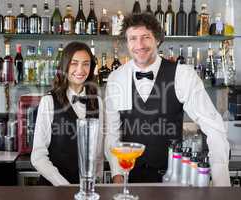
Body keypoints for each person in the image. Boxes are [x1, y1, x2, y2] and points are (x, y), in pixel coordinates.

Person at [104, 13, 230, 186]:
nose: (139, 45)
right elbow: (112, 133)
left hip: (172, 179)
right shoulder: (116, 78)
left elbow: (214, 128)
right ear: (127, 43)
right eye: (133, 38)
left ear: (157, 39)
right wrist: (117, 175)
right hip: (129, 179)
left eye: (145, 37)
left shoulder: (182, 75)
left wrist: (221, 185)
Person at [31, 42, 103, 186]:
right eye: (74, 63)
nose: (80, 70)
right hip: (54, 188)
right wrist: (65, 187)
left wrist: (95, 182)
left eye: (86, 64)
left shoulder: (98, 102)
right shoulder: (49, 101)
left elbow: (98, 153)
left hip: (86, 189)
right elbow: (38, 156)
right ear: (65, 66)